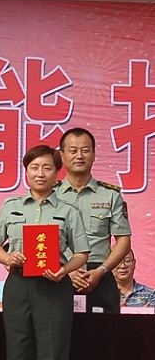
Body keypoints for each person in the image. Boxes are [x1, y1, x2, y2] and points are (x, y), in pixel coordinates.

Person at [0, 144, 90, 360]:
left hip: (54, 287)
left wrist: (65, 270)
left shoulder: (68, 210)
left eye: (47, 168)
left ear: (57, 173)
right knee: (18, 359)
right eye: (34, 168)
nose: (40, 173)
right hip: (18, 285)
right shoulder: (11, 206)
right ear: (26, 172)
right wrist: (7, 258)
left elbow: (82, 252)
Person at [56, 128, 131, 313]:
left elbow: (123, 240)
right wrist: (66, 270)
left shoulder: (110, 195)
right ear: (62, 156)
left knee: (104, 332)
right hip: (58, 277)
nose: (79, 156)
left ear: (94, 155)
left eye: (85, 150)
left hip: (100, 276)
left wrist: (101, 271)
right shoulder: (50, 195)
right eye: (73, 151)